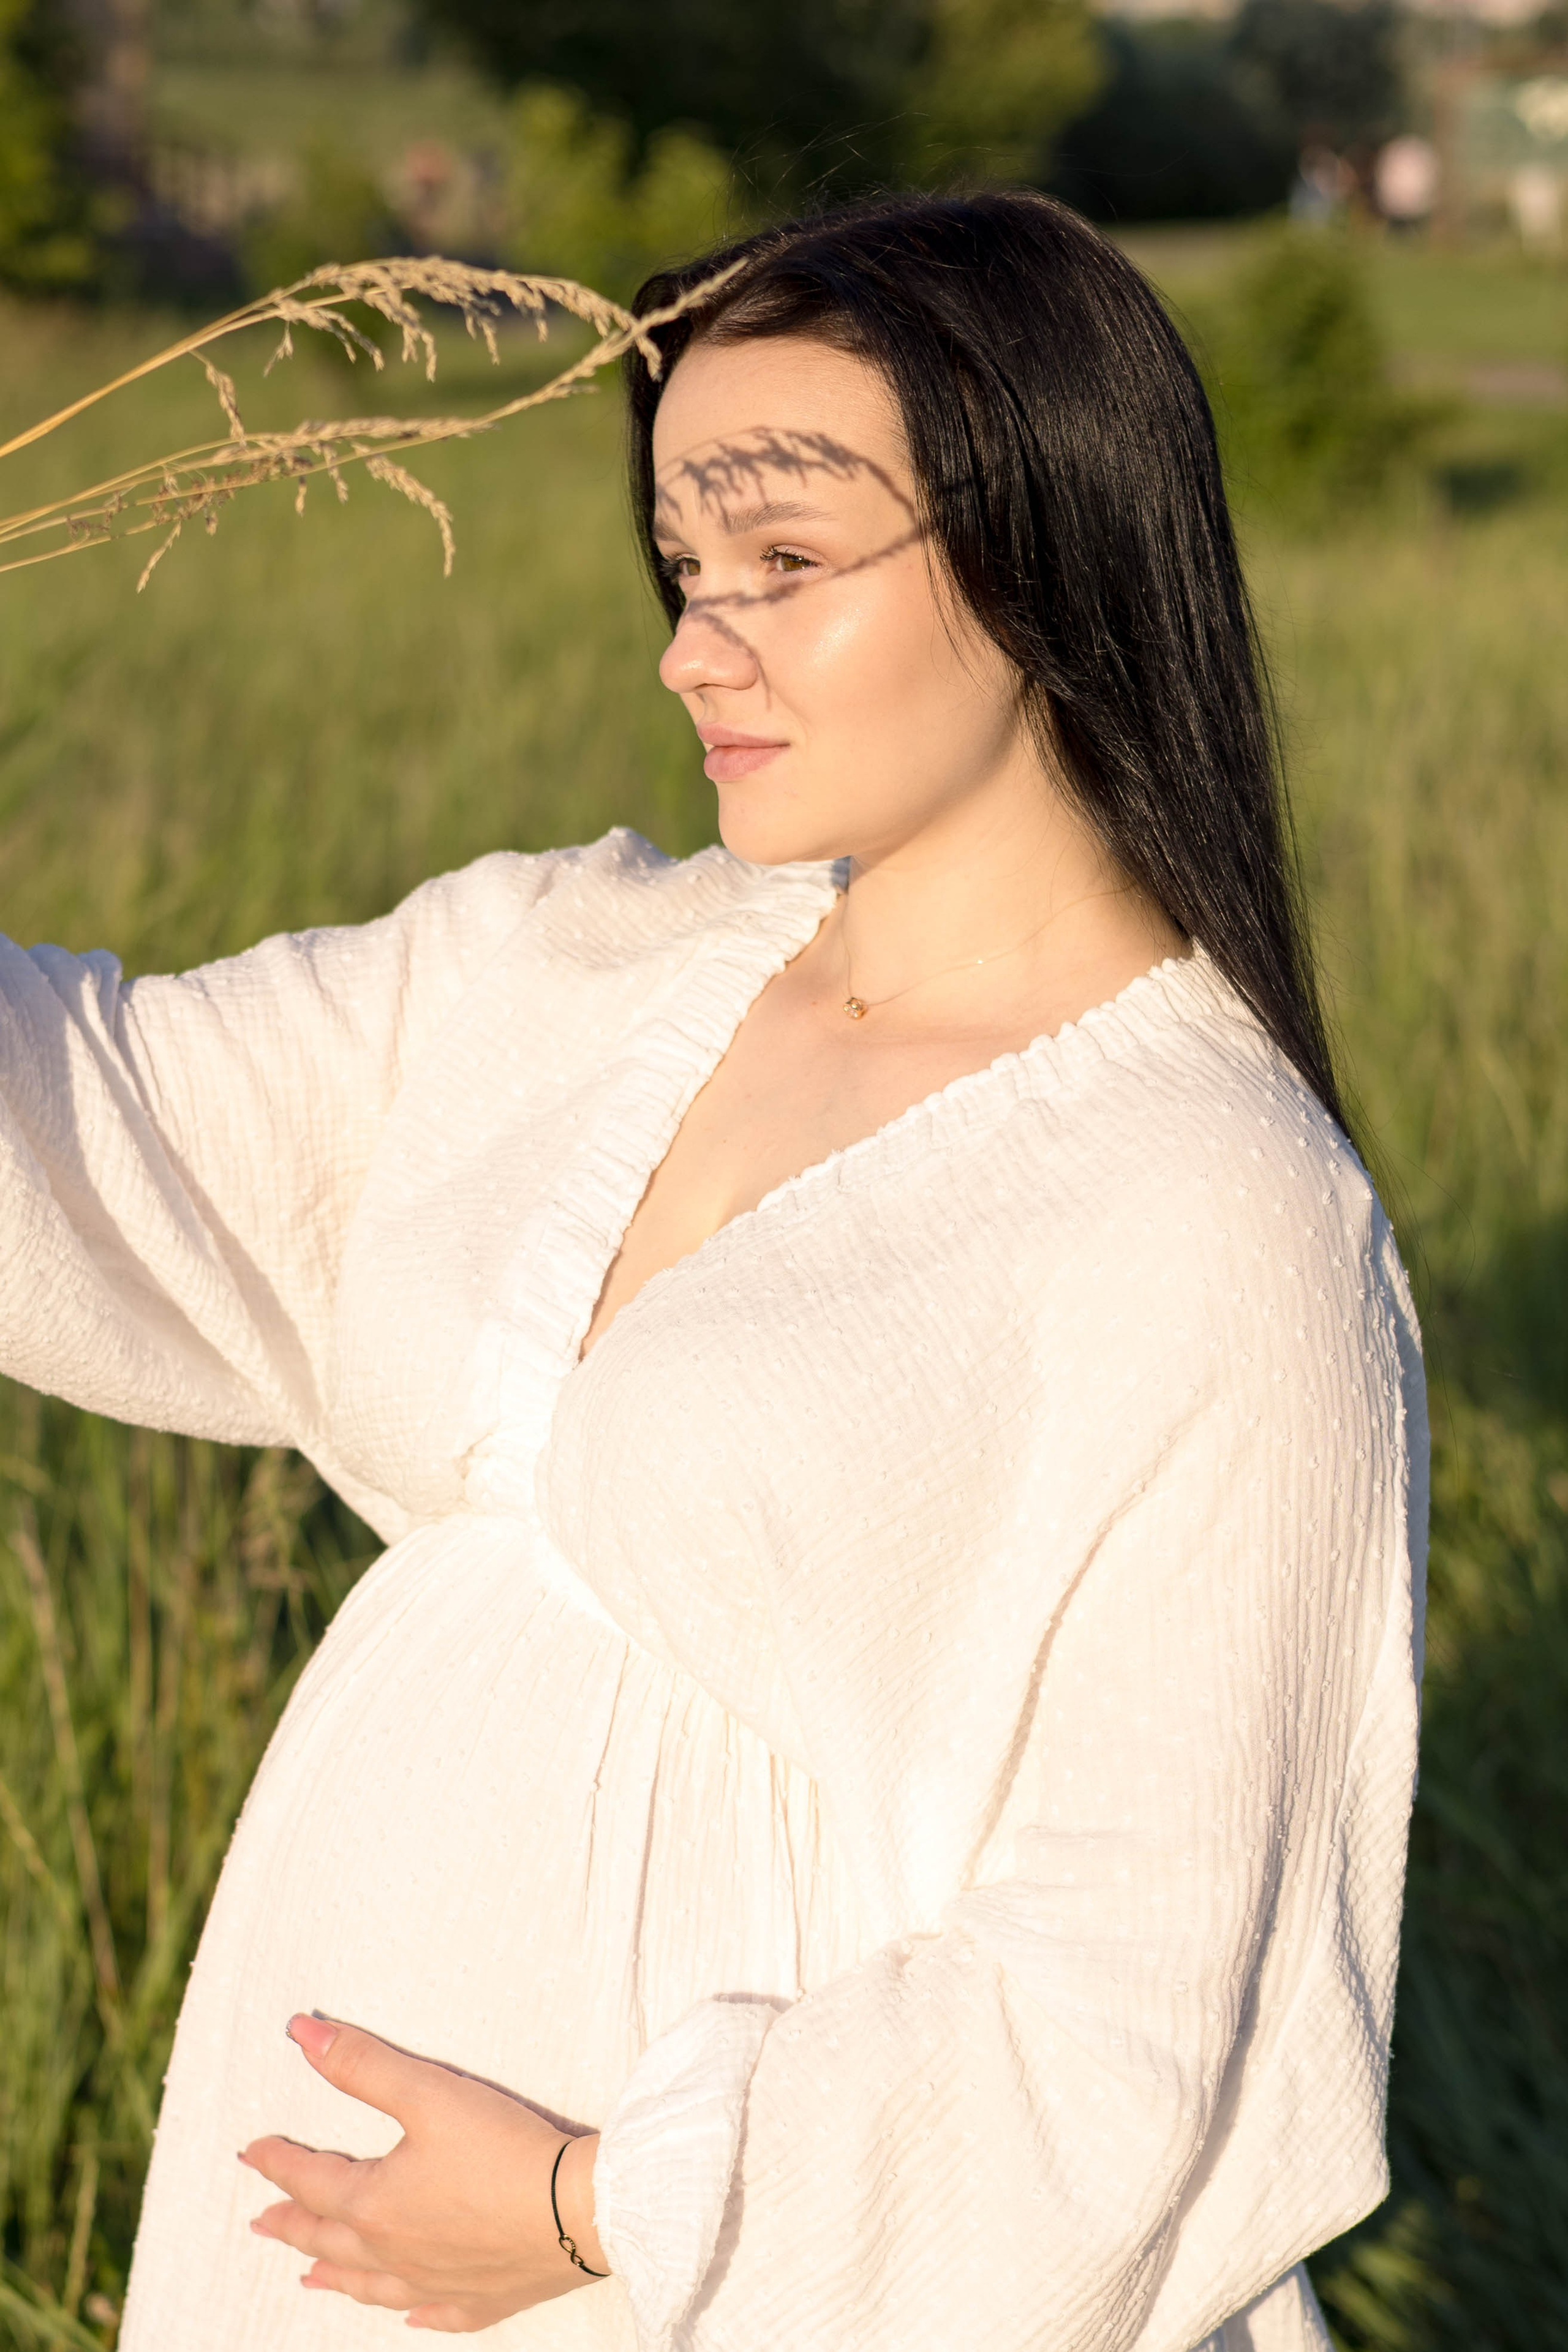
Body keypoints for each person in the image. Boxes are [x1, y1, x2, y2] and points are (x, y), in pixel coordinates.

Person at [0, 191, 1427, 2351]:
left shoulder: (1218, 1212)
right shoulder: (575, 968)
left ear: (1054, 548)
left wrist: (597, 2209)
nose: (693, 643)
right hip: (331, 2241)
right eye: (685, 566)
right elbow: (91, 1118)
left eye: (786, 562)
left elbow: (1158, 2002)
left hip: (728, 2286)